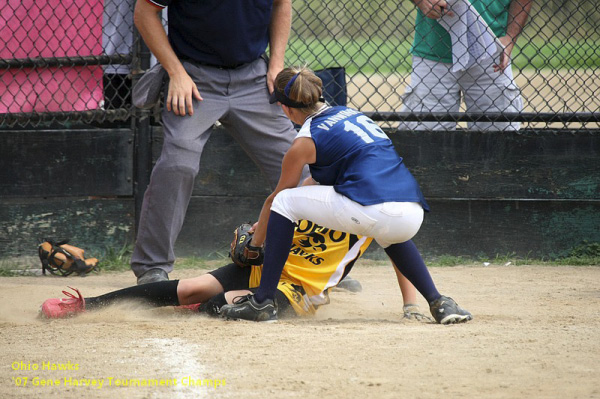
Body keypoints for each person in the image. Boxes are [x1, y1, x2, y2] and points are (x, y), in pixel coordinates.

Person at [220, 66, 473, 324]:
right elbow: (313, 184)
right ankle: (439, 302)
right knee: (386, 227)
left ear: (287, 109)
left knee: (285, 202)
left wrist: (255, 242)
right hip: (412, 212)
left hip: (373, 209)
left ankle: (262, 301)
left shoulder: (304, 141)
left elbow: (278, 199)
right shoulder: (353, 116)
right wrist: (266, 225)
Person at [131, 0, 305, 285]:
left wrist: (276, 64)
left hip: (253, 78)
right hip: (194, 78)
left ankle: (317, 257)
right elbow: (144, 12)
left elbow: (281, 4)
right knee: (178, 164)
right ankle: (152, 266)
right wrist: (176, 73)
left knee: (300, 164)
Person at [39, 220, 431, 322]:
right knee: (193, 287)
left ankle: (205, 307)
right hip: (268, 267)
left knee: (221, 306)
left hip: (298, 288)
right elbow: (272, 217)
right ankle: (86, 304)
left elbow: (401, 252)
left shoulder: (369, 209)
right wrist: (253, 242)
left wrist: (411, 304)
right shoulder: (312, 185)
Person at [398, 0, 532, 131]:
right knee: (425, 140)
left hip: (491, 50)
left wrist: (510, 37)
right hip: (432, 50)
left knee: (498, 138)